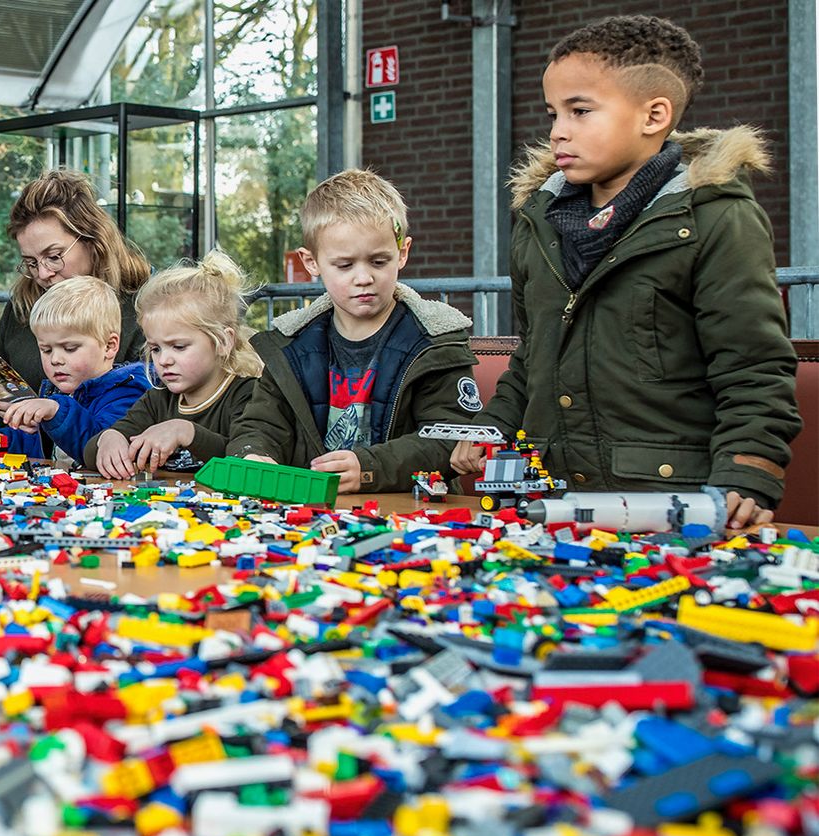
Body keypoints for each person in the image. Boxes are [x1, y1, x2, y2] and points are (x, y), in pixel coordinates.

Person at [465, 15, 799, 529]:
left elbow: (752, 366)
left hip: (667, 504)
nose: (558, 131)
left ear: (654, 116)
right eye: (553, 112)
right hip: (546, 500)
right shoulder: (536, 222)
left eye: (580, 111)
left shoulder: (716, 218)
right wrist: (492, 429)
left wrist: (748, 470)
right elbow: (531, 357)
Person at [227, 169, 478, 494]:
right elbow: (260, 423)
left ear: (402, 252)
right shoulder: (291, 345)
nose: (363, 278)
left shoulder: (434, 341)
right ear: (311, 262)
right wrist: (252, 455)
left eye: (378, 262)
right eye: (344, 265)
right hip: (312, 514)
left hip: (413, 512)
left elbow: (452, 438)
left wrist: (369, 468)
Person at [0, 170, 149, 432]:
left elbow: (148, 412)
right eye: (31, 263)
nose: (43, 274)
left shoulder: (142, 309)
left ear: (93, 241)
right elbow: (9, 408)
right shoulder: (23, 306)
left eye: (54, 256)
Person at [88, 251, 264, 478]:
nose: (164, 360)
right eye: (156, 348)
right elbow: (91, 452)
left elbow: (245, 459)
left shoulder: (248, 394)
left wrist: (186, 432)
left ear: (223, 341)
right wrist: (109, 438)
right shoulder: (157, 400)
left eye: (179, 347)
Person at [0, 275, 151, 462]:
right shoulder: (53, 393)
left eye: (70, 349)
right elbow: (29, 443)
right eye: (46, 350)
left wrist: (56, 411)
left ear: (109, 346)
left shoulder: (127, 393)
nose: (55, 359)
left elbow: (99, 445)